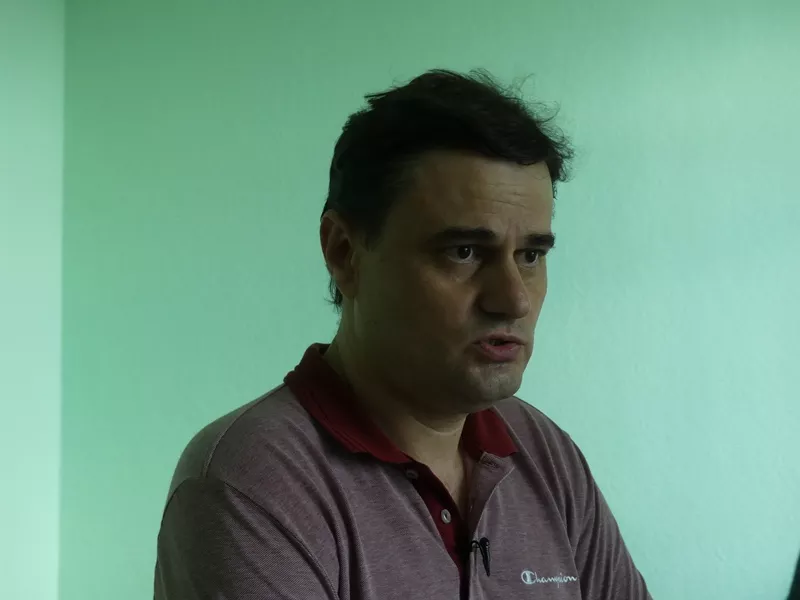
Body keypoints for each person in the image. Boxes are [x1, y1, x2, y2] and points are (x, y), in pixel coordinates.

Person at [154, 69, 652, 600]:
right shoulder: (253, 484)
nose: (514, 299)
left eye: (530, 255)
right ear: (344, 252)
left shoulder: (545, 454)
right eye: (464, 252)